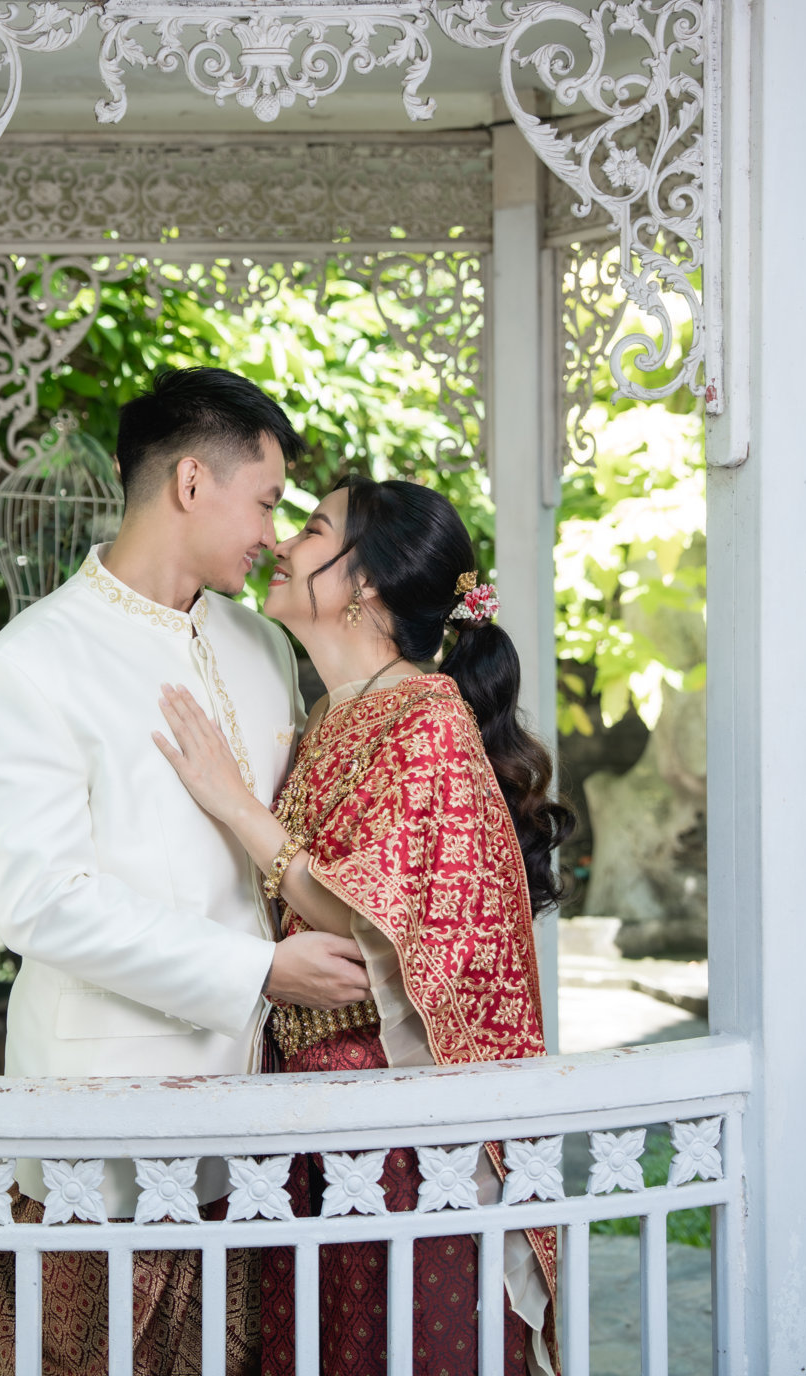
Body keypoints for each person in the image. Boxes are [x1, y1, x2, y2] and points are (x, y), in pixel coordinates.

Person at [0, 368, 371, 1376]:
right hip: (104, 1119)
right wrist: (259, 972)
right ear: (190, 482)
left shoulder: (259, 645)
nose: (274, 533)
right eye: (265, 501)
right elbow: (43, 905)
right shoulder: (24, 668)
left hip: (257, 1116)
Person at [155, 474, 575, 1376]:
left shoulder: (429, 721)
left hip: (398, 1126)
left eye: (311, 529)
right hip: (314, 1108)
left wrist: (233, 801)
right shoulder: (330, 717)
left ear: (367, 582)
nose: (281, 542)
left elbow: (363, 912)